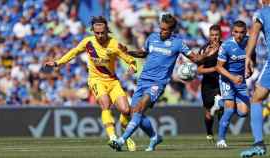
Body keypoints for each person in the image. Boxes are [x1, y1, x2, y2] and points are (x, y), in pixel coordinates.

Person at [109, 13, 215, 152]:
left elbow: (195, 59)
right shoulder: (152, 37)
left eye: (165, 29)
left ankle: (121, 141)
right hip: (143, 80)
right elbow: (143, 53)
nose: (161, 31)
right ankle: (154, 137)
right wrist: (128, 52)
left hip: (157, 83)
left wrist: (208, 55)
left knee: (140, 108)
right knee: (135, 112)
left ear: (171, 30)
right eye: (161, 28)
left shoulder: (178, 43)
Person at [45, 16, 136, 151]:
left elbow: (130, 60)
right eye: (96, 32)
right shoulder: (88, 42)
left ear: (107, 31)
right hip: (96, 80)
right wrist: (58, 62)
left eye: (102, 32)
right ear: (93, 31)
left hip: (112, 81)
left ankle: (126, 135)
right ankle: (113, 138)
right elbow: (74, 52)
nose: (99, 35)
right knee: (105, 104)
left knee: (126, 110)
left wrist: (132, 67)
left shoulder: (114, 44)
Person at [240, 0, 270, 157]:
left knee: (257, 99)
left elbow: (253, 33)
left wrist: (247, 58)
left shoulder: (262, 13)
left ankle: (259, 144)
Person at [215, 20, 250, 148]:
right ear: (232, 32)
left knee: (243, 112)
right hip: (227, 79)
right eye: (236, 32)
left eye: (242, 32)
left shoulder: (249, 42)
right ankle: (221, 140)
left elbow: (252, 58)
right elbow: (218, 67)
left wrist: (250, 69)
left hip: (240, 81)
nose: (239, 35)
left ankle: (219, 102)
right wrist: (232, 77)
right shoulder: (226, 46)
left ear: (246, 32)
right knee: (229, 110)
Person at [197, 24, 223, 142]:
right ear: (209, 36)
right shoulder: (204, 49)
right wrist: (214, 69)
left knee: (221, 108)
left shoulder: (225, 47)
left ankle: (222, 136)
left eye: (217, 35)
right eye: (212, 35)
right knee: (208, 113)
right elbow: (199, 70)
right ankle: (209, 132)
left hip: (221, 83)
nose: (214, 37)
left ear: (220, 35)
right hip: (208, 84)